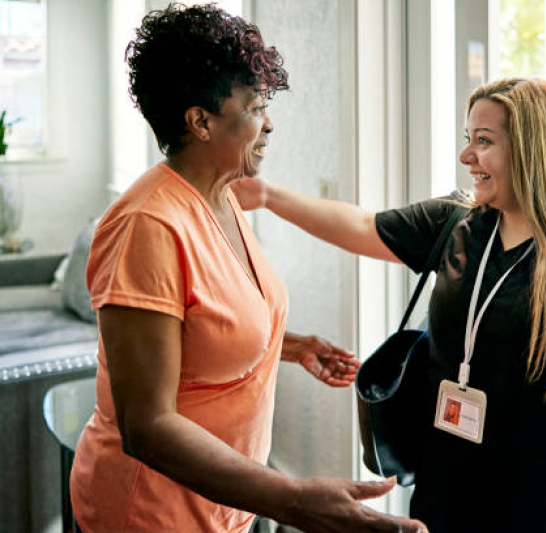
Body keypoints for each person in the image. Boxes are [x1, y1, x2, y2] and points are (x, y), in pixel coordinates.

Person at [232, 77, 546, 532]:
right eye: (467, 138)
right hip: (447, 501)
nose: (466, 156)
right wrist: (269, 196)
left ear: (536, 151)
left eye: (483, 140)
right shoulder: (456, 224)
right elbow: (362, 226)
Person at [69, 5, 427, 533]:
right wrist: (293, 500)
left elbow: (203, 323)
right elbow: (147, 426)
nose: (270, 122)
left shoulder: (220, 194)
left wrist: (291, 344)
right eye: (257, 106)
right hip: (150, 515)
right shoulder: (148, 226)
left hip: (223, 511)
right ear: (200, 122)